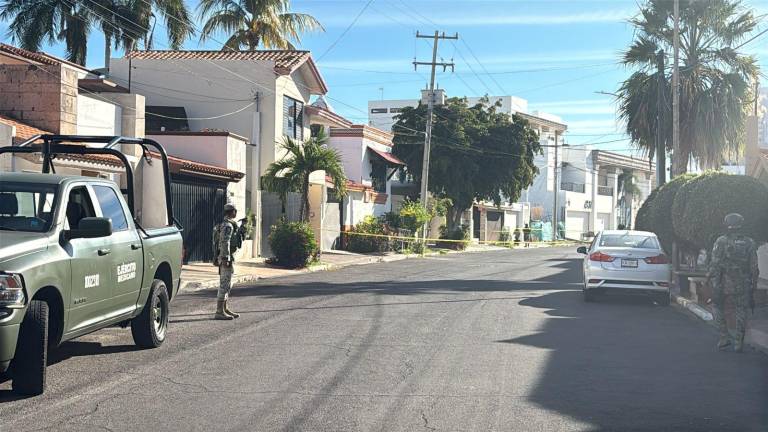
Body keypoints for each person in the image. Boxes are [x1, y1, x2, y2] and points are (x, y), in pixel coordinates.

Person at [708, 213, 759, 352]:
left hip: (724, 282)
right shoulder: (750, 242)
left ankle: (724, 336)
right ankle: (738, 342)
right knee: (741, 310)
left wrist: (710, 278)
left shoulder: (721, 241)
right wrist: (753, 284)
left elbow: (715, 263)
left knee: (717, 307)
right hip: (743, 282)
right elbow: (754, 266)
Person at [213, 203, 244, 320]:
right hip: (226, 258)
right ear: (232, 212)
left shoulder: (227, 224)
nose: (236, 213)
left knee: (227, 285)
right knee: (224, 284)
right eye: (235, 211)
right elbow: (224, 242)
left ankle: (224, 309)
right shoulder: (228, 226)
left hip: (227, 257)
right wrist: (225, 258)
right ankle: (219, 311)